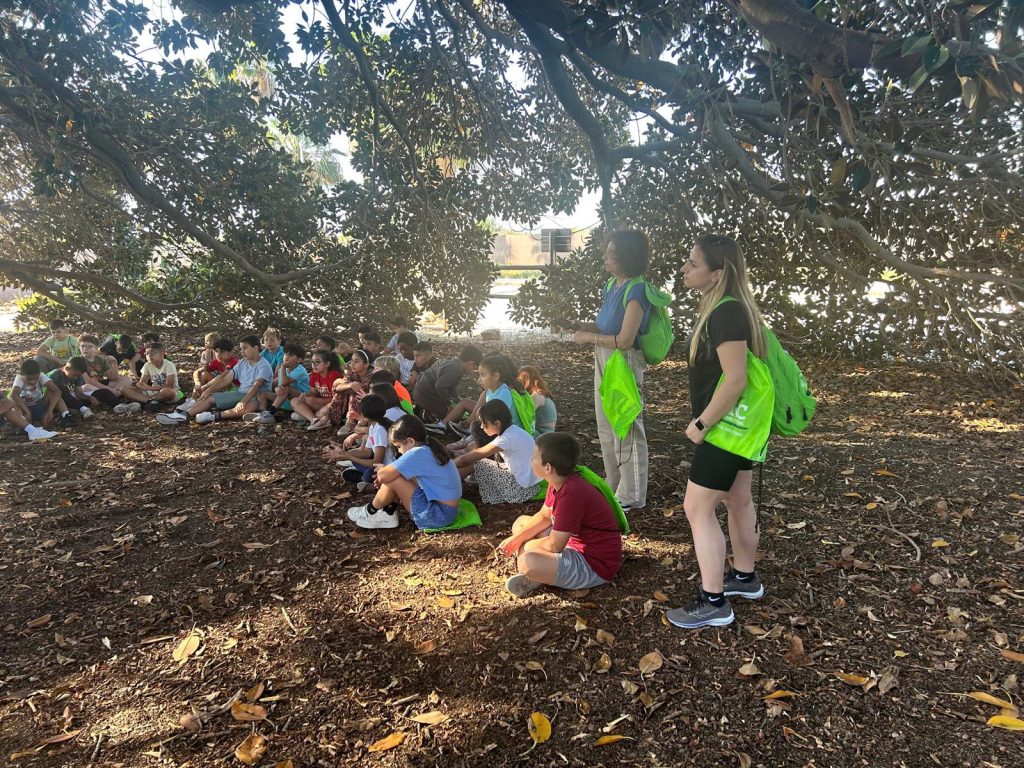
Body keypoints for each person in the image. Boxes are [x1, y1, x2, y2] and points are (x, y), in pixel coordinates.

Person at [666, 234, 767, 630]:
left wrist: (702, 423)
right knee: (738, 499)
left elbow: (736, 379)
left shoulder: (726, 313)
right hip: (738, 427)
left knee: (697, 507)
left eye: (693, 263)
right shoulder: (730, 308)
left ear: (717, 274)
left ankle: (713, 602)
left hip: (725, 428)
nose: (684, 269)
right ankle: (744, 577)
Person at [572, 230, 652, 512]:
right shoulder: (611, 285)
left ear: (628, 257)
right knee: (606, 424)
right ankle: (615, 484)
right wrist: (581, 326)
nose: (605, 257)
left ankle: (632, 494)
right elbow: (608, 327)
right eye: (606, 252)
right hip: (605, 357)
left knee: (625, 423)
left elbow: (626, 339)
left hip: (623, 361)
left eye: (612, 253)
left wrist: (588, 338)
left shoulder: (637, 290)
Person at [498, 432, 623, 598]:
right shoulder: (558, 481)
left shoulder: (572, 493)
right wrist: (517, 539)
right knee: (521, 523)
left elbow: (555, 546)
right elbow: (544, 516)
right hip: (571, 542)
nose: (530, 459)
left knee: (527, 561)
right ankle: (545, 573)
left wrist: (524, 545)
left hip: (594, 564)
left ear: (548, 468)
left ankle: (537, 575)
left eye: (534, 457)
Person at [347, 415, 461, 531]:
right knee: (396, 475)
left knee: (394, 478)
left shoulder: (417, 453)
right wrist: (386, 473)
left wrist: (382, 471)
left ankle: (369, 511)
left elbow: (383, 476)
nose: (399, 451)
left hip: (438, 516)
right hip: (446, 512)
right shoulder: (428, 446)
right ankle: (387, 513)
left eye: (399, 446)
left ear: (410, 441)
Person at [157, 335, 271, 425]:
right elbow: (226, 379)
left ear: (256, 348)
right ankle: (183, 415)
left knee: (250, 407)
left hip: (257, 397)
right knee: (209, 397)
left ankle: (213, 416)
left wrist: (243, 401)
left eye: (245, 348)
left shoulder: (264, 365)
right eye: (241, 349)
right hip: (240, 393)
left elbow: (256, 387)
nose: (242, 351)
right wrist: (209, 390)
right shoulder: (242, 363)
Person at [454, 400, 540, 504]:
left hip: (520, 490)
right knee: (479, 461)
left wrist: (447, 465)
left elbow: (465, 459)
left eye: (484, 423)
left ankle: (447, 484)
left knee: (477, 462)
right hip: (531, 485)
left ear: (497, 423)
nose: (481, 426)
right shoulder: (514, 430)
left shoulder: (506, 439)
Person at [330, 394, 398, 490]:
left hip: (388, 468)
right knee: (356, 461)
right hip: (379, 466)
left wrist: (349, 456)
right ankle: (367, 480)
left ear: (363, 414)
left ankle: (369, 482)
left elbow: (376, 462)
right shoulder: (374, 427)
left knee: (368, 475)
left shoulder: (380, 430)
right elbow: (366, 452)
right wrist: (344, 454)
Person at [412, 344, 482, 426]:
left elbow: (450, 387)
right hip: (424, 395)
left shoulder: (454, 362)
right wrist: (447, 403)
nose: (471, 371)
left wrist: (457, 398)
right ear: (471, 363)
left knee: (452, 410)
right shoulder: (455, 369)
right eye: (473, 368)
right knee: (449, 414)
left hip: (421, 391)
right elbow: (440, 386)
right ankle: (430, 418)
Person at [310, 349, 373, 434]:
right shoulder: (352, 374)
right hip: (348, 406)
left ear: (366, 364)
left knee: (355, 393)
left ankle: (351, 422)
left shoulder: (373, 376)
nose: (352, 364)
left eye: (356, 361)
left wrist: (356, 389)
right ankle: (327, 418)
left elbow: (373, 395)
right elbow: (337, 387)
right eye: (352, 360)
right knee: (344, 390)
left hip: (368, 406)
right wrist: (350, 385)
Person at [246, 342, 309, 424]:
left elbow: (283, 383)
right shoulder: (284, 369)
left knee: (285, 389)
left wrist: (282, 367)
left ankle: (270, 414)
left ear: (299, 359)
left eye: (290, 355)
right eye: (285, 354)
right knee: (263, 393)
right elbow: (275, 383)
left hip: (299, 401)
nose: (286, 357)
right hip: (285, 400)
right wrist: (258, 385)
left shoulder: (300, 370)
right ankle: (262, 413)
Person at [116, 343, 179, 413]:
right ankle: (151, 402)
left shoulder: (169, 365)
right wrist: (138, 384)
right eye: (147, 354)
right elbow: (143, 383)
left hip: (167, 393)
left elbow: (169, 386)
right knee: (124, 389)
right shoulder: (147, 365)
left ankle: (146, 401)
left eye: (152, 353)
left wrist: (149, 388)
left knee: (168, 392)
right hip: (154, 393)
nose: (149, 356)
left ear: (162, 354)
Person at [289, 349, 343, 427]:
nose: (314, 365)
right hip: (319, 404)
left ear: (327, 364)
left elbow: (337, 399)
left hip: (332, 405)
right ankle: (314, 420)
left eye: (317, 362)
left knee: (326, 410)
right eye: (312, 362)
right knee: (294, 401)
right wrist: (306, 395)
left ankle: (307, 416)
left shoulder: (333, 375)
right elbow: (313, 392)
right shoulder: (314, 374)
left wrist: (318, 400)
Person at [9, 359, 62, 425]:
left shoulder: (41, 376)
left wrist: (49, 411)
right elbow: (14, 395)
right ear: (21, 375)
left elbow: (57, 391)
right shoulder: (19, 378)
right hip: (24, 408)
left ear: (39, 374)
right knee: (12, 401)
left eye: (36, 379)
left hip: (39, 405)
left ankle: (65, 414)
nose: (33, 382)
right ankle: (24, 423)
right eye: (29, 379)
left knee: (54, 393)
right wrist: (27, 412)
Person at [77, 335, 126, 406]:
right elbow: (88, 381)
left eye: (90, 346)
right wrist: (110, 389)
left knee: (127, 379)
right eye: (82, 346)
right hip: (87, 388)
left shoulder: (100, 359)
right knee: (87, 387)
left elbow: (113, 378)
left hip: (100, 384)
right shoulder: (78, 361)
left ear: (96, 348)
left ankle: (115, 393)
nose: (85, 349)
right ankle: (117, 399)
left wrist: (114, 364)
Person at [48, 356, 96, 421]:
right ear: (67, 368)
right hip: (53, 402)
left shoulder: (78, 376)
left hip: (70, 399)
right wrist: (66, 409)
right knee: (61, 389)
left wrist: (89, 398)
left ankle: (80, 408)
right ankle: (83, 409)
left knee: (99, 394)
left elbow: (79, 393)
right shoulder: (54, 376)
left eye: (78, 376)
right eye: (74, 375)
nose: (76, 378)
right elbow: (53, 396)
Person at [518, 366, 558, 434]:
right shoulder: (542, 393)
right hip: (546, 432)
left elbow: (524, 417)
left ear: (525, 380)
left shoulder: (537, 396)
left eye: (520, 380)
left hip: (542, 434)